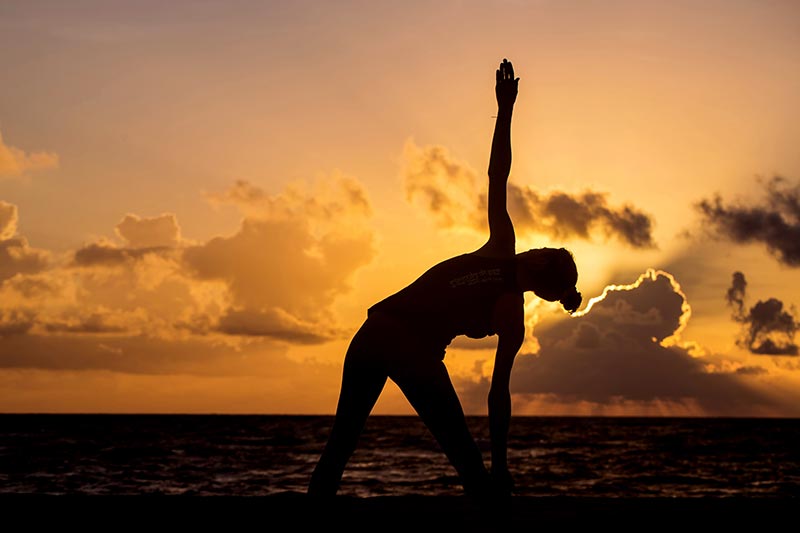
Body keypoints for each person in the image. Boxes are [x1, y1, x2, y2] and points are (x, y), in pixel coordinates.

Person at [307, 58, 582, 499]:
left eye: (545, 251)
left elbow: (499, 397)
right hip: (386, 334)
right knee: (456, 467)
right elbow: (498, 174)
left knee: (340, 453)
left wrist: (501, 466)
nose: (537, 247)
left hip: (385, 336)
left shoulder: (510, 299)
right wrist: (505, 110)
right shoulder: (504, 258)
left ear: (539, 270)